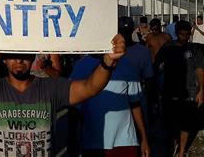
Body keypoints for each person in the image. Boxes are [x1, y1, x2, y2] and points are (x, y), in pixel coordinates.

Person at [70, 17, 150, 157]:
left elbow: (135, 104)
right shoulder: (81, 66)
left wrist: (143, 138)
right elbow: (74, 111)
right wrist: (73, 140)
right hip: (93, 142)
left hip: (126, 141)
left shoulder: (127, 65)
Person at [154, 20, 204, 157]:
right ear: (176, 33)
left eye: (187, 35)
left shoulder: (195, 50)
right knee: (171, 124)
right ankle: (173, 146)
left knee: (186, 124)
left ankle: (181, 152)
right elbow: (157, 67)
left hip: (190, 93)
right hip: (170, 92)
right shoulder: (167, 48)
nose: (185, 38)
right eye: (182, 35)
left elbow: (200, 70)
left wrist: (202, 90)